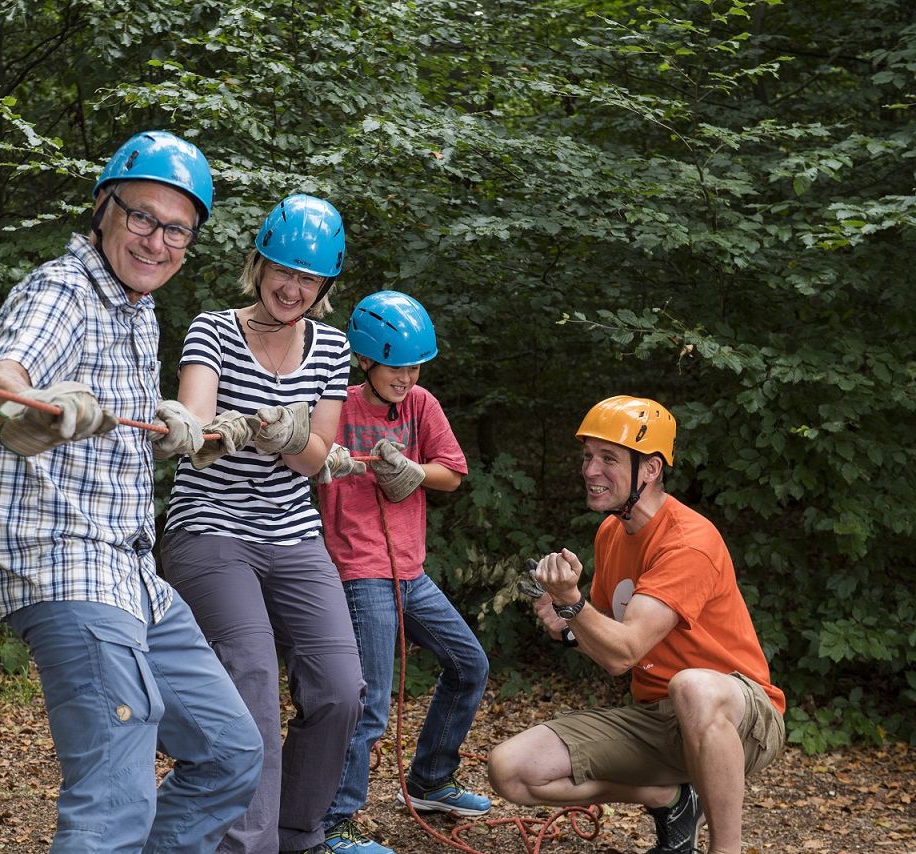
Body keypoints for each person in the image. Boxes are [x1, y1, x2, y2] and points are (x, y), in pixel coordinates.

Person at [0, 130, 263, 854]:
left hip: (134, 573)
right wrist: (28, 410)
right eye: (142, 217)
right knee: (115, 798)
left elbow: (118, 426)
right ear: (104, 208)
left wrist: (169, 425)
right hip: (67, 563)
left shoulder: (136, 308)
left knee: (232, 754)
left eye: (177, 230)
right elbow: (0, 383)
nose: (157, 241)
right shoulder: (62, 289)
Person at [487, 395, 787, 854]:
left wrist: (572, 602)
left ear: (650, 469)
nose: (590, 470)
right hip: (658, 718)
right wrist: (569, 625)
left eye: (609, 458)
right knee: (509, 769)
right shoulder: (612, 533)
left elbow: (625, 649)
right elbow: (610, 650)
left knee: (693, 687)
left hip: (741, 718)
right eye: (587, 456)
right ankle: (671, 799)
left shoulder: (688, 541)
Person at [160, 193, 365, 854]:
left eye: (308, 278)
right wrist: (218, 430)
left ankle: (298, 833)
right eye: (283, 269)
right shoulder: (213, 330)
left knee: (341, 691)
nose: (292, 286)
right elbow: (196, 429)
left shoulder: (332, 348)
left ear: (324, 285)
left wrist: (288, 435)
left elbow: (324, 460)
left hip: (292, 534)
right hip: (210, 528)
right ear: (259, 263)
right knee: (250, 678)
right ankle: (242, 846)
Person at [315, 291, 492, 854]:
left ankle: (431, 781)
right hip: (358, 570)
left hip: (409, 572)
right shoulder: (338, 406)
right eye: (396, 364)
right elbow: (304, 462)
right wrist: (327, 464)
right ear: (366, 359)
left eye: (415, 365)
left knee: (469, 665)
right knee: (368, 700)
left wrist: (414, 470)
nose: (407, 375)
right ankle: (334, 821)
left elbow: (454, 472)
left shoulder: (421, 405)